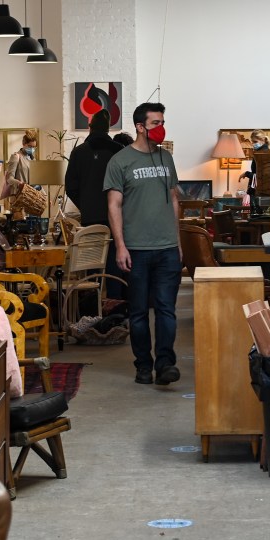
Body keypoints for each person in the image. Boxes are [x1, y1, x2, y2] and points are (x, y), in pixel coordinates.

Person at [105, 102, 182, 385]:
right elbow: (114, 205)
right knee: (138, 312)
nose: (161, 129)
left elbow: (173, 199)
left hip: (167, 248)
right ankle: (143, 365)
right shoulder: (120, 161)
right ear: (140, 127)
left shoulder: (166, 158)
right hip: (136, 249)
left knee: (166, 309)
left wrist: (178, 241)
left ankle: (165, 364)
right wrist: (120, 246)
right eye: (155, 124)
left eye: (163, 123)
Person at [65, 109, 123, 296]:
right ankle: (115, 305)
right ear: (108, 128)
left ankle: (91, 305)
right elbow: (128, 185)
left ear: (90, 127)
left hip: (90, 218)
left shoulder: (79, 152)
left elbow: (70, 187)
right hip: (116, 217)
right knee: (115, 263)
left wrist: (85, 205)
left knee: (91, 264)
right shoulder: (119, 151)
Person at [2, 129, 37, 217]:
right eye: (30, 146)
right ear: (23, 144)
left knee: (32, 223)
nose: (32, 149)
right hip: (18, 197)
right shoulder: (16, 157)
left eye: (34, 147)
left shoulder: (32, 159)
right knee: (20, 221)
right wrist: (20, 183)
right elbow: (9, 179)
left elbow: (36, 180)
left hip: (31, 197)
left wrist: (44, 196)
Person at [239, 129, 270, 211]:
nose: (253, 144)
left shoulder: (262, 154)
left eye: (255, 141)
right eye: (252, 142)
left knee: (256, 215)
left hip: (259, 191)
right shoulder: (260, 153)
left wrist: (247, 174)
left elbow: (262, 176)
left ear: (263, 140)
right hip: (259, 190)